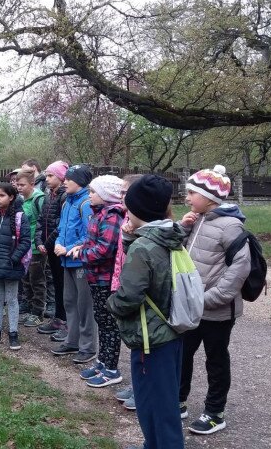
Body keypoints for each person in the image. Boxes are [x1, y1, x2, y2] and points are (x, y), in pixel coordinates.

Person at [107, 174, 184, 449]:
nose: (125, 210)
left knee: (155, 405)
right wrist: (130, 239)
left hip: (150, 338)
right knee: (161, 402)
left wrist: (111, 303)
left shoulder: (143, 247)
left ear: (139, 209)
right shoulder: (169, 235)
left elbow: (130, 296)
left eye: (128, 205)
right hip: (170, 332)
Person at [178, 165, 251, 435]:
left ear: (210, 198)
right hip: (194, 306)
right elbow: (179, 248)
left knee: (216, 359)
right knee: (183, 354)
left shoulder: (230, 226)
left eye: (191, 192)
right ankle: (178, 400)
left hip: (217, 309)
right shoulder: (197, 219)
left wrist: (211, 298)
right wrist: (183, 226)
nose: (186, 197)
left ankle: (215, 412)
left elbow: (239, 269)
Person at [70, 175, 126, 389]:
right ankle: (102, 361)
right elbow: (91, 240)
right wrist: (82, 247)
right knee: (101, 320)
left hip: (105, 278)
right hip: (95, 277)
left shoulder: (112, 216)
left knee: (109, 324)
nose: (90, 195)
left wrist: (81, 255)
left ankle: (111, 369)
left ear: (106, 195)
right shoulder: (97, 214)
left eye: (93, 192)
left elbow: (105, 249)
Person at [51, 164, 96, 364]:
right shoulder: (67, 202)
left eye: (70, 178)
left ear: (80, 181)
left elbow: (90, 235)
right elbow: (61, 228)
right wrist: (59, 242)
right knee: (69, 301)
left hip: (81, 262)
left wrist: (67, 247)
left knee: (84, 305)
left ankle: (88, 347)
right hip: (66, 261)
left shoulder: (86, 203)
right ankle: (72, 341)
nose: (65, 181)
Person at [0, 182, 32, 350]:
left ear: (11, 197)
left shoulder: (19, 217)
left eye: (1, 196)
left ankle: (13, 333)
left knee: (11, 299)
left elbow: (25, 241)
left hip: (11, 265)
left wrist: (14, 259)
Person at [111, 174, 143, 412]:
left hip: (137, 290)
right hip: (121, 282)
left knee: (142, 342)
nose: (120, 197)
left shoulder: (143, 224)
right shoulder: (125, 219)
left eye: (125, 193)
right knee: (132, 341)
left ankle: (142, 389)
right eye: (120, 193)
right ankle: (136, 385)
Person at [37, 161, 69, 338]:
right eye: (46, 175)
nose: (47, 179)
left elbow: (60, 225)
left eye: (51, 176)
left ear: (61, 177)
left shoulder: (65, 197)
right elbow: (42, 220)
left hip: (59, 247)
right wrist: (39, 241)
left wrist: (47, 243)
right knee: (56, 284)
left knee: (63, 286)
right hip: (49, 247)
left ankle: (65, 321)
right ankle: (58, 318)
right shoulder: (48, 195)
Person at [15, 171, 46, 327]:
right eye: (17, 184)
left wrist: (40, 243)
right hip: (24, 247)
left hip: (36, 248)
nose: (19, 188)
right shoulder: (21, 201)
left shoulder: (39, 199)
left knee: (37, 280)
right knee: (25, 279)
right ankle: (27, 307)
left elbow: (43, 223)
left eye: (22, 185)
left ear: (32, 184)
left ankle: (38, 312)